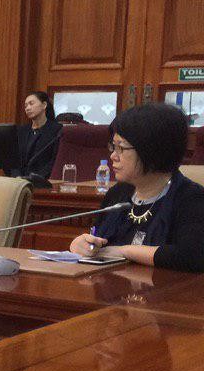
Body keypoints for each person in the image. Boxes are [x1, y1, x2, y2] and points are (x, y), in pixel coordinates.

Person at [68, 103, 204, 271]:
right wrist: (83, 245)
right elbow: (97, 241)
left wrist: (125, 251)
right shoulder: (117, 194)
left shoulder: (192, 199)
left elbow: (192, 256)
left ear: (152, 150)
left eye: (121, 148)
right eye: (113, 146)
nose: (113, 156)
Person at [14, 90, 63, 183]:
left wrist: (35, 178)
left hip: (43, 182)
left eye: (31, 104)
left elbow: (54, 161)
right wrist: (17, 177)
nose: (28, 108)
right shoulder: (21, 131)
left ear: (44, 105)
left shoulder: (57, 130)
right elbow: (14, 159)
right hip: (19, 182)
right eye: (25, 106)